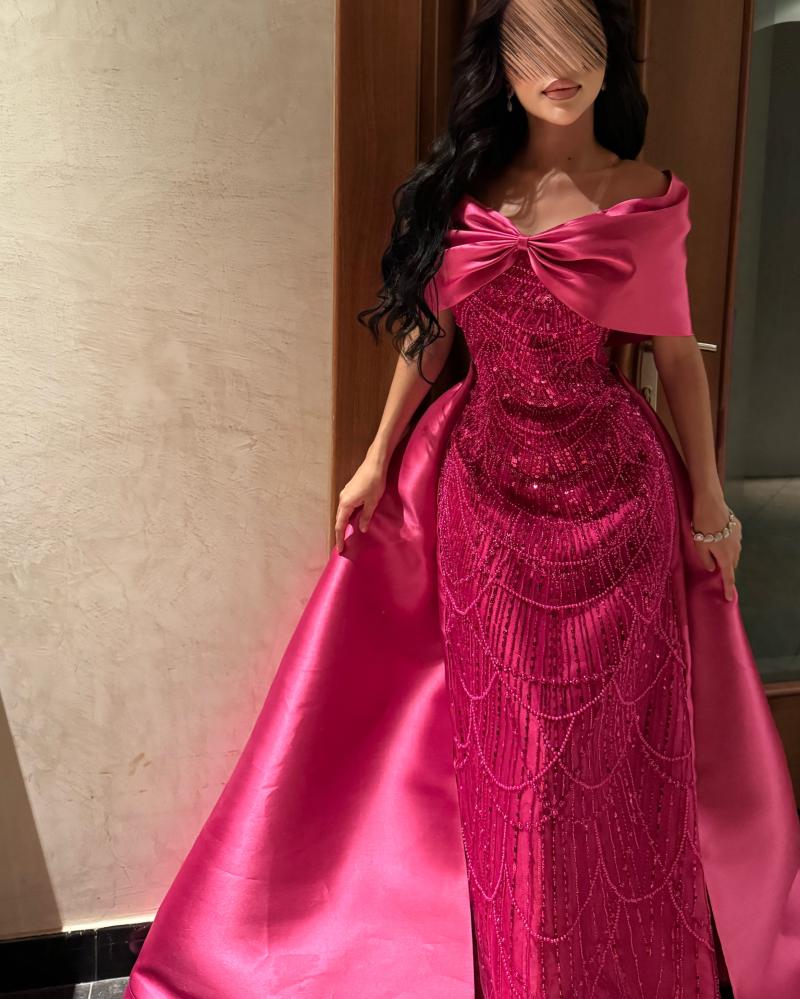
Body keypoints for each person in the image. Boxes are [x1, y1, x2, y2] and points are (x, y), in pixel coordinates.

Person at [123, 2, 800, 997]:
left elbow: (676, 359)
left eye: (577, 39)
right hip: (486, 499)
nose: (557, 65)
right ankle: (521, 966)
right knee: (509, 748)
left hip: (618, 506)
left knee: (612, 755)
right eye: (531, 44)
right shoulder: (470, 197)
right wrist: (374, 459)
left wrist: (710, 503)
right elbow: (429, 338)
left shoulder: (644, 197)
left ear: (609, 56)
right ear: (499, 67)